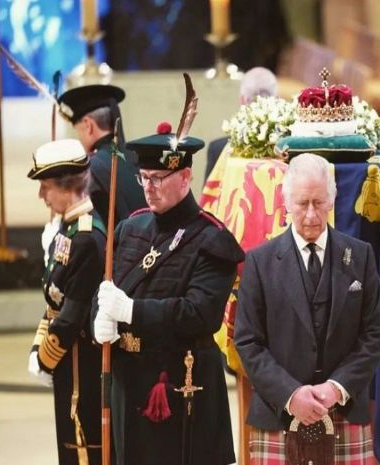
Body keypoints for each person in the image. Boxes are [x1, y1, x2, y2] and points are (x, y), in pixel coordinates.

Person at [92, 121, 245, 465]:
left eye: (158, 178)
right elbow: (104, 290)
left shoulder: (212, 239)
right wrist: (97, 320)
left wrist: (132, 312)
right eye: (143, 177)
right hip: (127, 384)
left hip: (178, 387)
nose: (149, 187)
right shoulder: (131, 228)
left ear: (186, 177)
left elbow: (199, 313)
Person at [234, 153, 380, 464]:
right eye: (303, 203)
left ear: (333, 200)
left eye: (319, 202)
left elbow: (374, 335)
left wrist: (336, 388)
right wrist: (292, 395)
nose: (312, 215)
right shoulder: (259, 262)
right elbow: (248, 342)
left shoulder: (361, 256)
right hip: (278, 414)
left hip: (344, 409)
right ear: (285, 202)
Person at [27, 138, 106, 465]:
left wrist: (45, 357)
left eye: (45, 186)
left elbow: (72, 315)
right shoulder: (68, 230)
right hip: (67, 360)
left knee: (81, 447)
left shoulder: (85, 238)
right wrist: (38, 346)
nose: (41, 195)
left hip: (80, 366)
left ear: (68, 186)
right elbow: (54, 303)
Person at [58, 84, 146, 227]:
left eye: (78, 130)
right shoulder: (139, 156)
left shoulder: (89, 169)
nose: (79, 138)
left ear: (88, 125)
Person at [204, 67, 279, 179]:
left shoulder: (218, 150)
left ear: (242, 100)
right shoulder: (288, 149)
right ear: (277, 99)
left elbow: (209, 195)